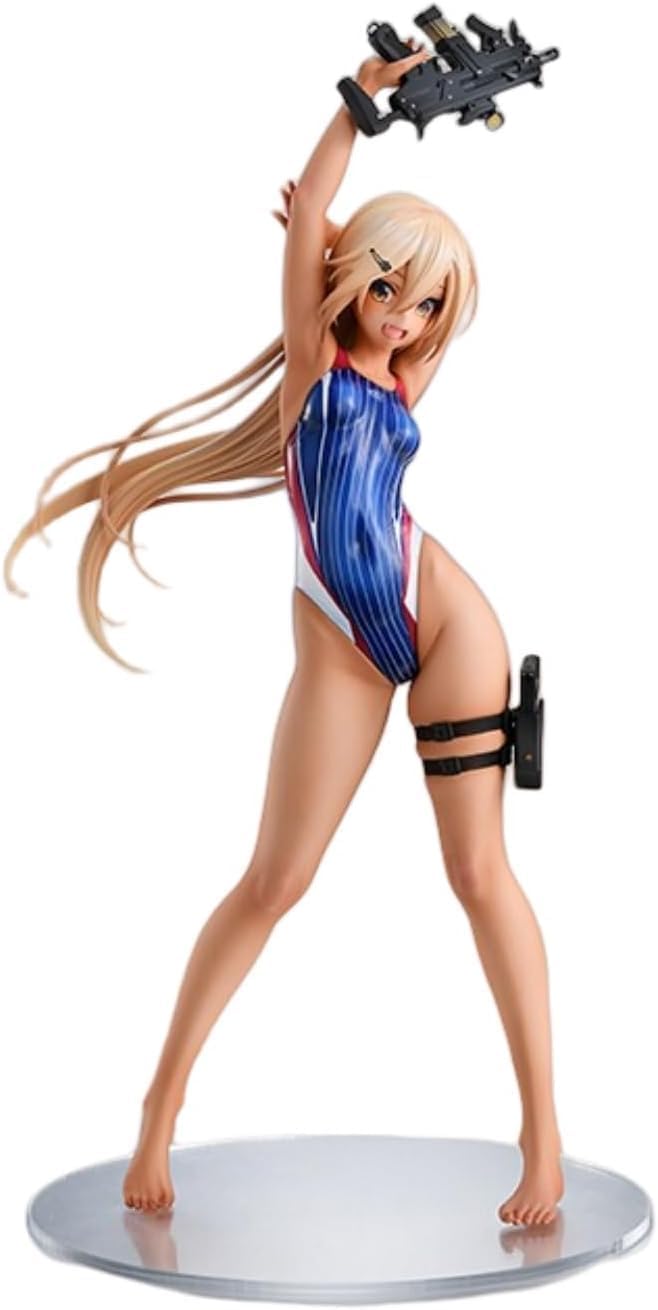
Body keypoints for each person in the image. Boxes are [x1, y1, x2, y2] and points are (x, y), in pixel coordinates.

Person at [3, 38, 564, 1226]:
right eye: (389, 290)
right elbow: (312, 204)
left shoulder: (405, 376)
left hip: (446, 619)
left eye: (427, 304)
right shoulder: (316, 365)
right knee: (275, 879)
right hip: (338, 645)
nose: (405, 320)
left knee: (477, 872)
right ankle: (159, 1105)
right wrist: (362, 105)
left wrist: (396, 196)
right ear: (347, 280)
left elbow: (363, 263)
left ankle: (544, 1135)